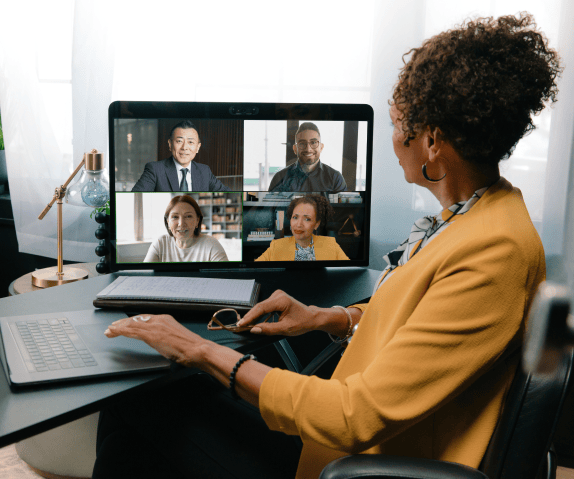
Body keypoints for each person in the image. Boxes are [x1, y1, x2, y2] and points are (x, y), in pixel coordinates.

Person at [93, 14, 560, 479]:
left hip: (359, 463)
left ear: (433, 141)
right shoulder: (475, 219)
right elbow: (420, 324)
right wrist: (326, 317)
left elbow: (351, 417)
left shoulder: (493, 252)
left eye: (398, 125)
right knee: (135, 420)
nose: (394, 140)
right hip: (348, 440)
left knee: (138, 406)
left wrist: (199, 349)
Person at [131, 120, 230, 192]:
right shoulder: (155, 170)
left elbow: (228, 193)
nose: (184, 147)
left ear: (198, 147)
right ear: (170, 144)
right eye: (179, 141)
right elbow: (134, 198)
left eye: (190, 142)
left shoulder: (204, 171)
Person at [255, 195, 349, 261]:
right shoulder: (276, 246)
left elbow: (350, 272)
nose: (299, 224)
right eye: (295, 217)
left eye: (307, 219)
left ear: (317, 224)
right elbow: (256, 270)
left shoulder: (331, 244)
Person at [144, 195, 229, 263]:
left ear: (197, 221)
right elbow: (145, 276)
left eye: (188, 216)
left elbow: (226, 277)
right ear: (168, 222)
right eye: (175, 217)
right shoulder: (160, 243)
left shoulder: (211, 244)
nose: (181, 223)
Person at [268, 122, 347, 193]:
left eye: (313, 142)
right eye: (302, 143)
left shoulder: (335, 178)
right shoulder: (280, 178)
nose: (308, 149)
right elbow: (271, 208)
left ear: (321, 147)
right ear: (295, 149)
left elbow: (341, 209)